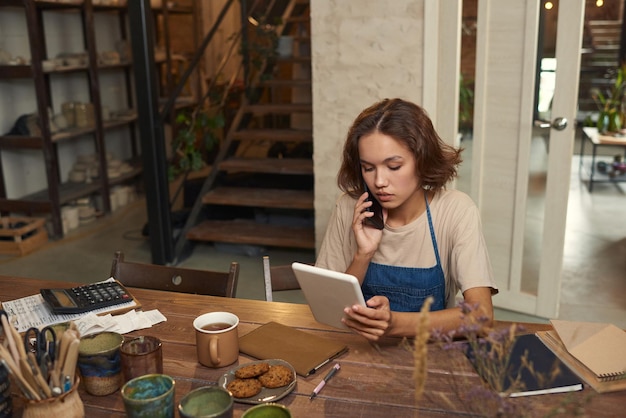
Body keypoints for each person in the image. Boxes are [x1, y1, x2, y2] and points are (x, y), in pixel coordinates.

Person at [316, 98, 498, 342]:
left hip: (429, 355)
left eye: (393, 166)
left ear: (422, 160)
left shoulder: (455, 210)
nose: (379, 181)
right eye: (368, 168)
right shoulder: (349, 207)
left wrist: (395, 324)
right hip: (358, 350)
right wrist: (364, 254)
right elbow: (327, 308)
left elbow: (482, 317)